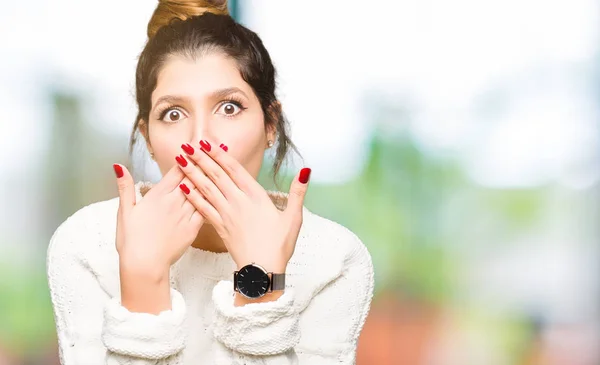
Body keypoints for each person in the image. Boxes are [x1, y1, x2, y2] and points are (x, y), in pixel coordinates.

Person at [46, 1, 374, 364]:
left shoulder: (333, 260)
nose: (201, 138)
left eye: (229, 107)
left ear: (270, 124)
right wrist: (143, 281)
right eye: (173, 113)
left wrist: (261, 286)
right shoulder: (85, 245)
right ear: (149, 139)